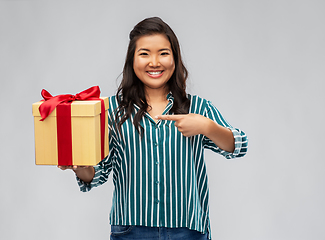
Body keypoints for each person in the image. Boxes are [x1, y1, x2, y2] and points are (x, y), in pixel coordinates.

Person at [59, 17, 248, 240]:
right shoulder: (111, 110)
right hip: (131, 230)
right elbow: (98, 172)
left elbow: (238, 146)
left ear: (175, 59)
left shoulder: (197, 107)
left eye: (163, 53)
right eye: (145, 53)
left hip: (187, 229)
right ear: (132, 60)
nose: (154, 62)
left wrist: (207, 126)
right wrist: (79, 166)